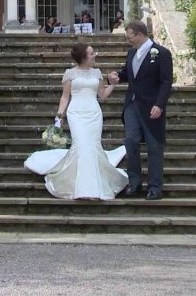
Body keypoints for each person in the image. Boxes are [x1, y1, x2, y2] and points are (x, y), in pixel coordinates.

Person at [23, 43, 128, 200]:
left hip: (94, 113)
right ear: (83, 57)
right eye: (91, 53)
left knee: (93, 146)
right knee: (81, 145)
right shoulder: (70, 73)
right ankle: (81, 187)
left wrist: (112, 85)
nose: (95, 55)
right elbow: (65, 97)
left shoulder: (97, 73)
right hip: (76, 113)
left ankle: (94, 186)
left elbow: (102, 95)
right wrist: (59, 116)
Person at [108, 21, 174, 200]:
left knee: (154, 146)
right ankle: (134, 183)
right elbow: (128, 74)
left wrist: (159, 105)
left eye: (129, 36)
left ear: (139, 34)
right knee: (131, 141)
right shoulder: (132, 52)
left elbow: (166, 82)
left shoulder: (161, 53)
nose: (127, 39)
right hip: (132, 104)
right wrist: (116, 76)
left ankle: (155, 187)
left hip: (152, 106)